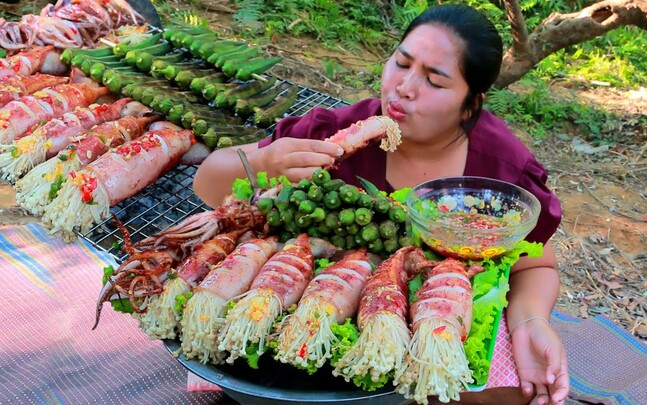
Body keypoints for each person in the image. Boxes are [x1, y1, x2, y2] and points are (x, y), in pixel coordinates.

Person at [193, 3, 569, 404]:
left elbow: (536, 265)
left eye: (435, 82)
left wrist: (531, 321)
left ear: (470, 104)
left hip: (441, 317)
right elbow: (208, 185)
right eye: (401, 63)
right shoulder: (332, 133)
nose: (404, 87)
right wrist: (265, 161)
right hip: (307, 301)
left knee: (512, 393)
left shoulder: (499, 168)